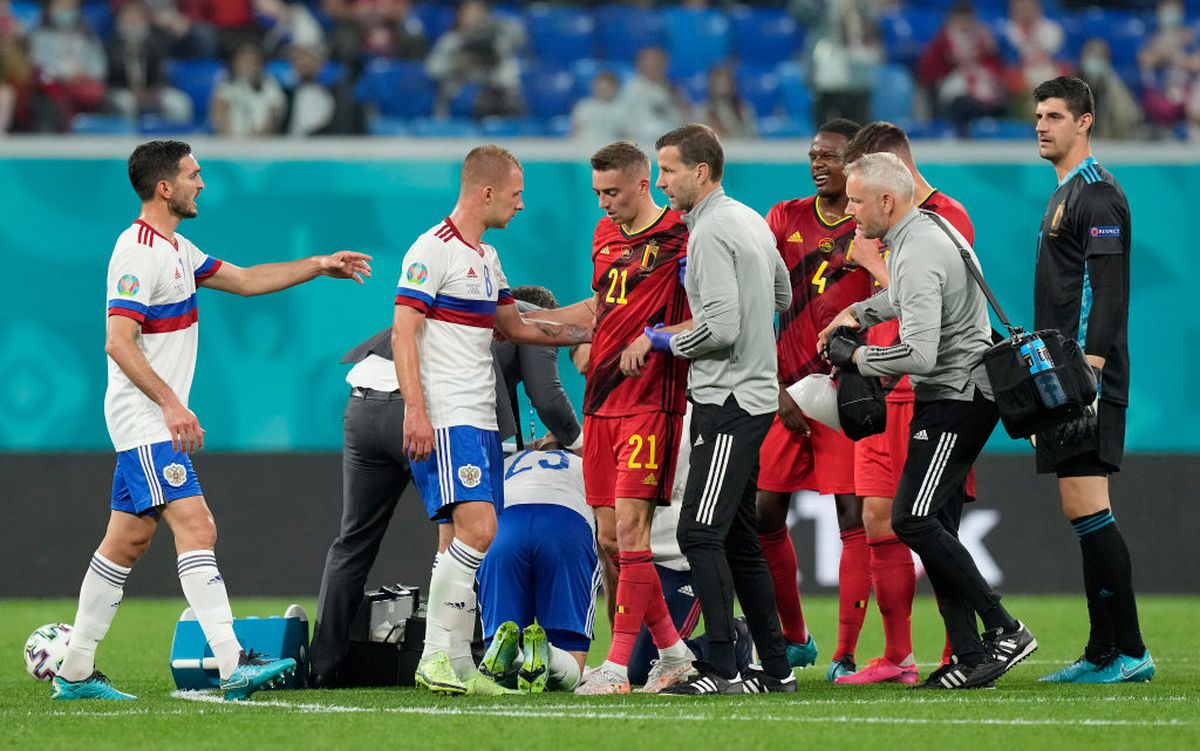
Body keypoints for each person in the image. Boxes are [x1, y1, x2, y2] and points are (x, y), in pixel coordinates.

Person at [52, 139, 372, 702]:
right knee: (198, 529)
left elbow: (247, 280)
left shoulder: (177, 248)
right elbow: (117, 342)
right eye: (194, 175)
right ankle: (232, 666)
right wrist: (172, 403)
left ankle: (74, 671)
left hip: (151, 420)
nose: (202, 183)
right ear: (164, 187)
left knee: (125, 543)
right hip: (146, 419)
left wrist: (320, 265)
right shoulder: (137, 252)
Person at [817, 152, 1036, 690]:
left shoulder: (915, 249)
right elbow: (911, 296)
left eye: (857, 199)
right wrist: (861, 313)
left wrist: (855, 358)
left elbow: (918, 353)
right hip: (959, 393)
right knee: (937, 522)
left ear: (886, 201)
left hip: (955, 398)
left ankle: (1006, 628)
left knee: (912, 519)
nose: (849, 210)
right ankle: (968, 653)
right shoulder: (928, 228)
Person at [391, 144, 590, 696]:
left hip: (480, 420)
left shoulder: (487, 259)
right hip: (449, 415)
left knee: (459, 535)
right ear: (486, 192)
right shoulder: (431, 250)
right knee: (479, 532)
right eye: (516, 193)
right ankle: (434, 656)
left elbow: (520, 327)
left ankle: (457, 664)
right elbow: (404, 330)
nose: (521, 205)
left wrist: (600, 321)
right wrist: (415, 409)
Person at [621, 123, 795, 695]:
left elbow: (717, 329)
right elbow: (782, 297)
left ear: (700, 171)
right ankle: (776, 668)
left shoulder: (711, 232)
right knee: (740, 539)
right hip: (755, 393)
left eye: (668, 170)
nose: (660, 181)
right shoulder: (749, 219)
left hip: (727, 400)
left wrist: (661, 339)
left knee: (698, 534)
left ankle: (721, 668)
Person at [531, 141, 694, 696]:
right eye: (597, 193)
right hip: (600, 402)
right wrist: (526, 322)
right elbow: (601, 311)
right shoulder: (604, 237)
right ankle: (673, 653)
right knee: (608, 540)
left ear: (643, 183)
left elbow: (712, 319)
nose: (603, 203)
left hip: (652, 402)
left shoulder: (683, 237)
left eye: (613, 192)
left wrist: (656, 341)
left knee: (631, 531)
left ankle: (617, 667)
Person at [837, 120, 977, 686]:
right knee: (878, 518)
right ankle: (898, 656)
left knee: (932, 518)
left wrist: (871, 265)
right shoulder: (885, 222)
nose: (850, 207)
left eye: (856, 193)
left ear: (886, 175)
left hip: (933, 384)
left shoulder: (944, 218)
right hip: (881, 383)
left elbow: (930, 313)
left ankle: (962, 648)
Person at [307, 324, 523, 688]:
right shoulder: (503, 323)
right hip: (423, 412)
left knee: (353, 541)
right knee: (468, 533)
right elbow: (517, 398)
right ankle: (461, 659)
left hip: (362, 405)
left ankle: (322, 666)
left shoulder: (436, 303)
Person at [1030, 76, 1154, 684]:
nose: (1042, 125)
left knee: (1089, 504)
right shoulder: (1063, 196)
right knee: (1080, 508)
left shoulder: (1096, 195)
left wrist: (1091, 369)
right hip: (1062, 375)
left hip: (1086, 377)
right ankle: (1103, 650)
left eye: (1055, 115)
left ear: (1085, 122)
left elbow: (1108, 290)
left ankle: (1129, 649)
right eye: (1037, 116)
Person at [753, 118, 869, 681]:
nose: (819, 162)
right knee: (764, 512)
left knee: (852, 516)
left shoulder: (873, 223)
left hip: (846, 393)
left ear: (857, 161)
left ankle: (846, 656)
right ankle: (795, 639)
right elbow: (757, 299)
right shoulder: (785, 217)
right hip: (786, 392)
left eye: (832, 155)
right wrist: (774, 388)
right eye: (813, 154)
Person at [475, 445, 598, 694]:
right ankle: (549, 656)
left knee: (498, 657)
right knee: (571, 663)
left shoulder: (510, 459)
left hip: (504, 527)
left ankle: (515, 656)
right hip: (566, 526)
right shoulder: (585, 461)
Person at [494, 285, 582, 452]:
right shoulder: (538, 322)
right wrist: (579, 444)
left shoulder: (490, 317)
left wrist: (538, 445)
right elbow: (548, 400)